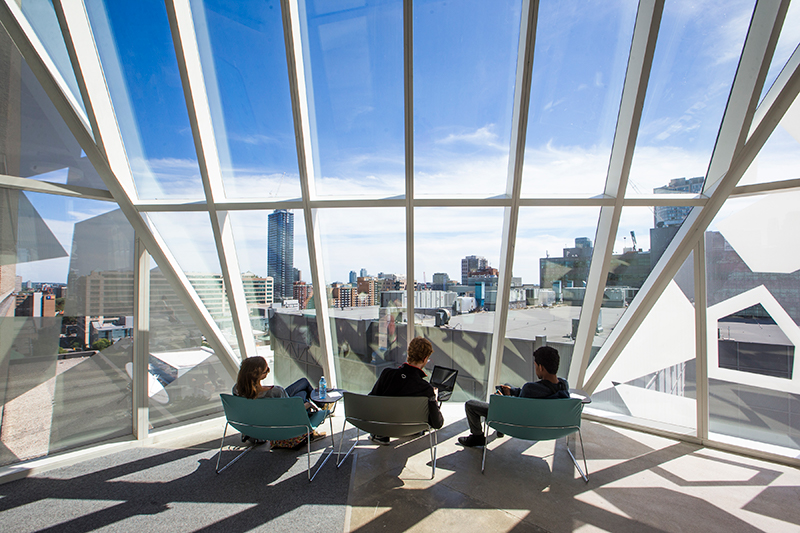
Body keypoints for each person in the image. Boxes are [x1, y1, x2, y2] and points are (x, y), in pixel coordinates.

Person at [457, 346, 569, 447]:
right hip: (545, 423)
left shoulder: (529, 388)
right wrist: (513, 392)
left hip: (517, 423)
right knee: (507, 386)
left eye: (535, 366)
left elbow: (516, 411)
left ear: (541, 368)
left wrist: (502, 400)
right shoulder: (563, 385)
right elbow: (533, 395)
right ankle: (499, 432)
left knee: (470, 405)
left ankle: (477, 437)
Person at [368, 337, 445, 444]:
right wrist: (434, 400)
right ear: (424, 359)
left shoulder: (387, 374)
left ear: (409, 354)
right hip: (413, 429)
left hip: (386, 428)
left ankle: (380, 435)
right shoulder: (426, 389)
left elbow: (370, 401)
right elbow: (437, 424)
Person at [232, 356, 322, 443]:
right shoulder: (276, 391)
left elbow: (255, 396)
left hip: (253, 432)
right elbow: (290, 414)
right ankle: (322, 406)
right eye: (266, 370)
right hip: (277, 430)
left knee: (303, 383)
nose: (268, 372)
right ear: (259, 375)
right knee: (302, 393)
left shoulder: (237, 390)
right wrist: (308, 404)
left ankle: (321, 405)